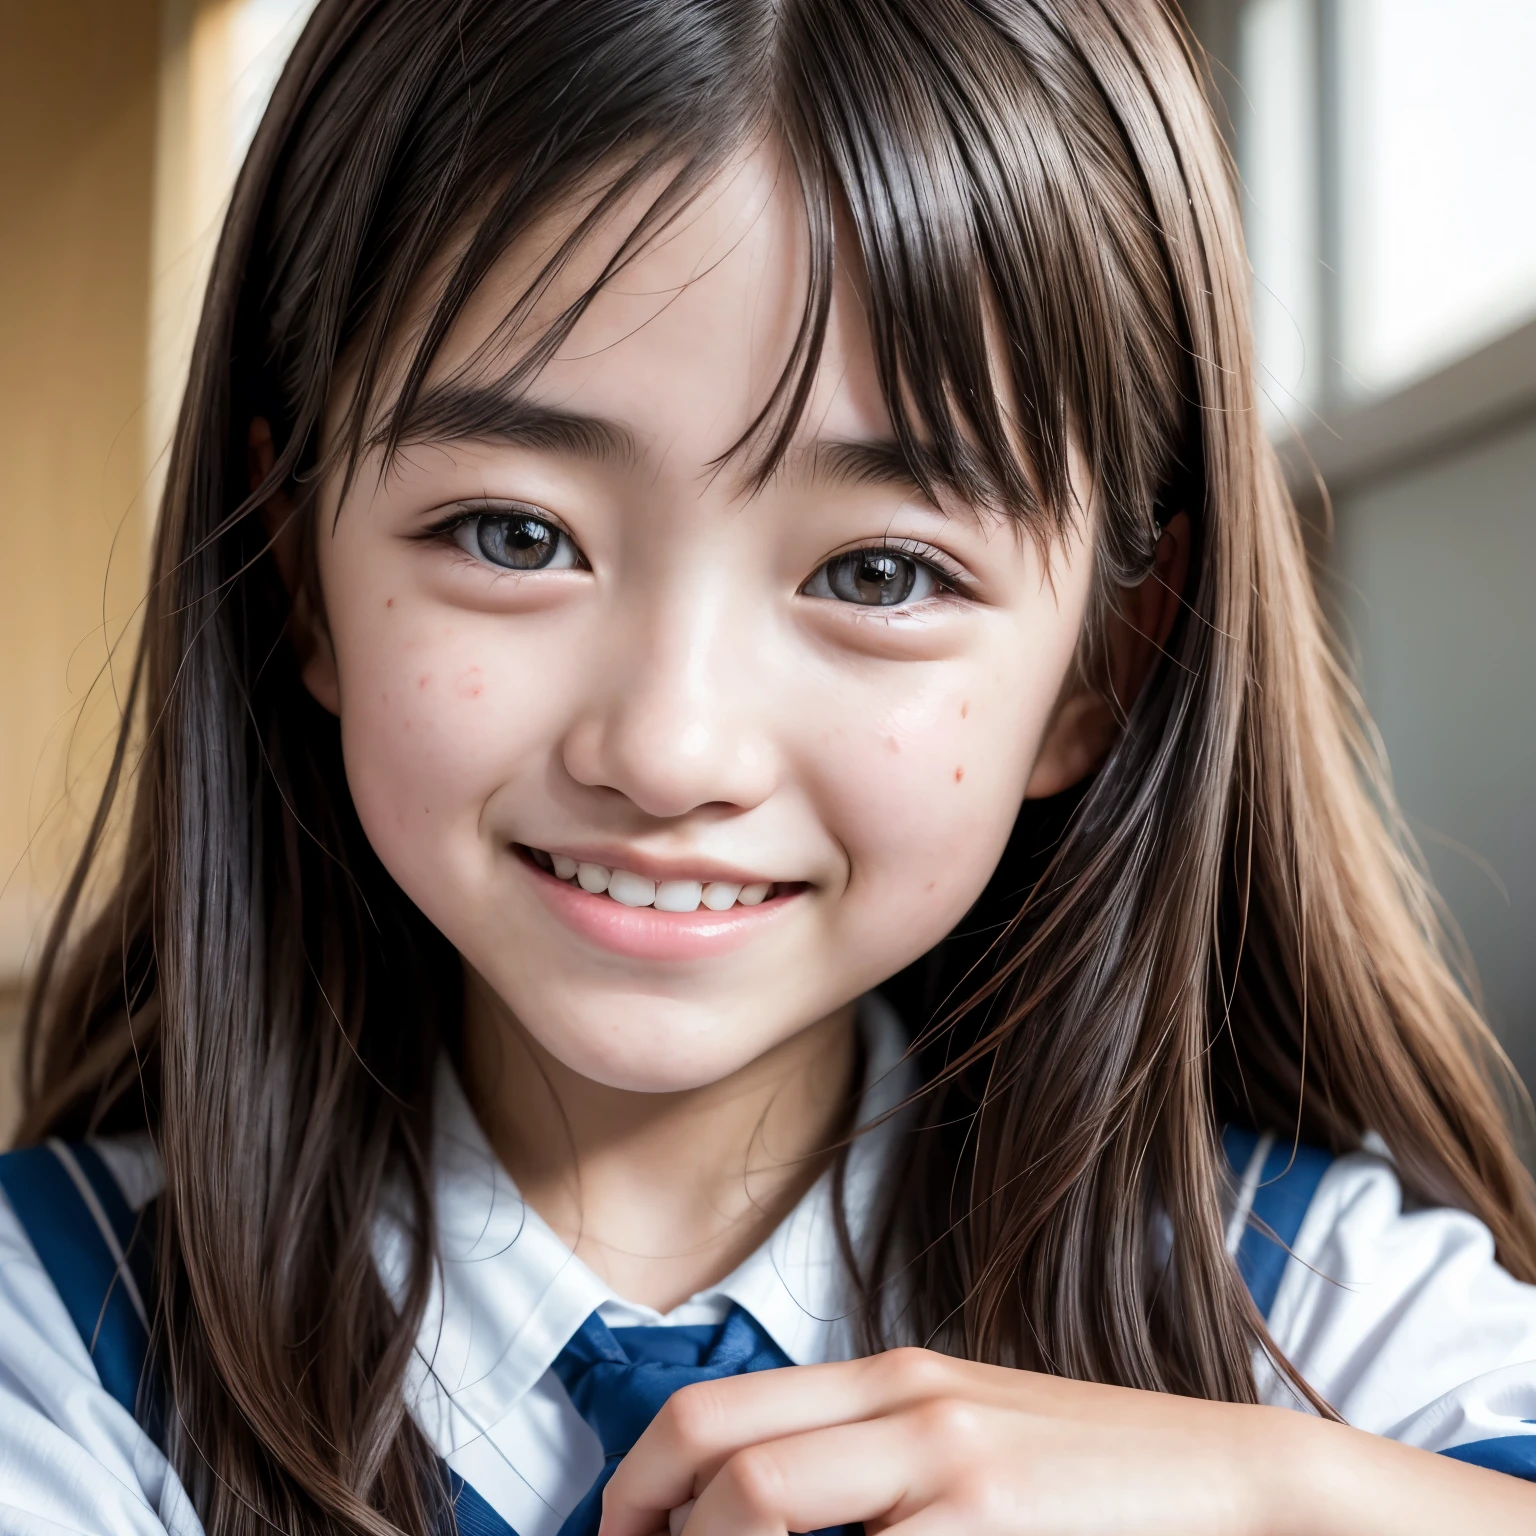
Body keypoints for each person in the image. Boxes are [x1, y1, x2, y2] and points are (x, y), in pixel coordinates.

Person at [3, 1, 1535, 1532]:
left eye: (878, 573)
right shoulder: (58, 1337)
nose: (671, 752)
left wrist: (1269, 1502)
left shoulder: (1308, 1303)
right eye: (514, 535)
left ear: (1103, 662)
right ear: (295, 575)